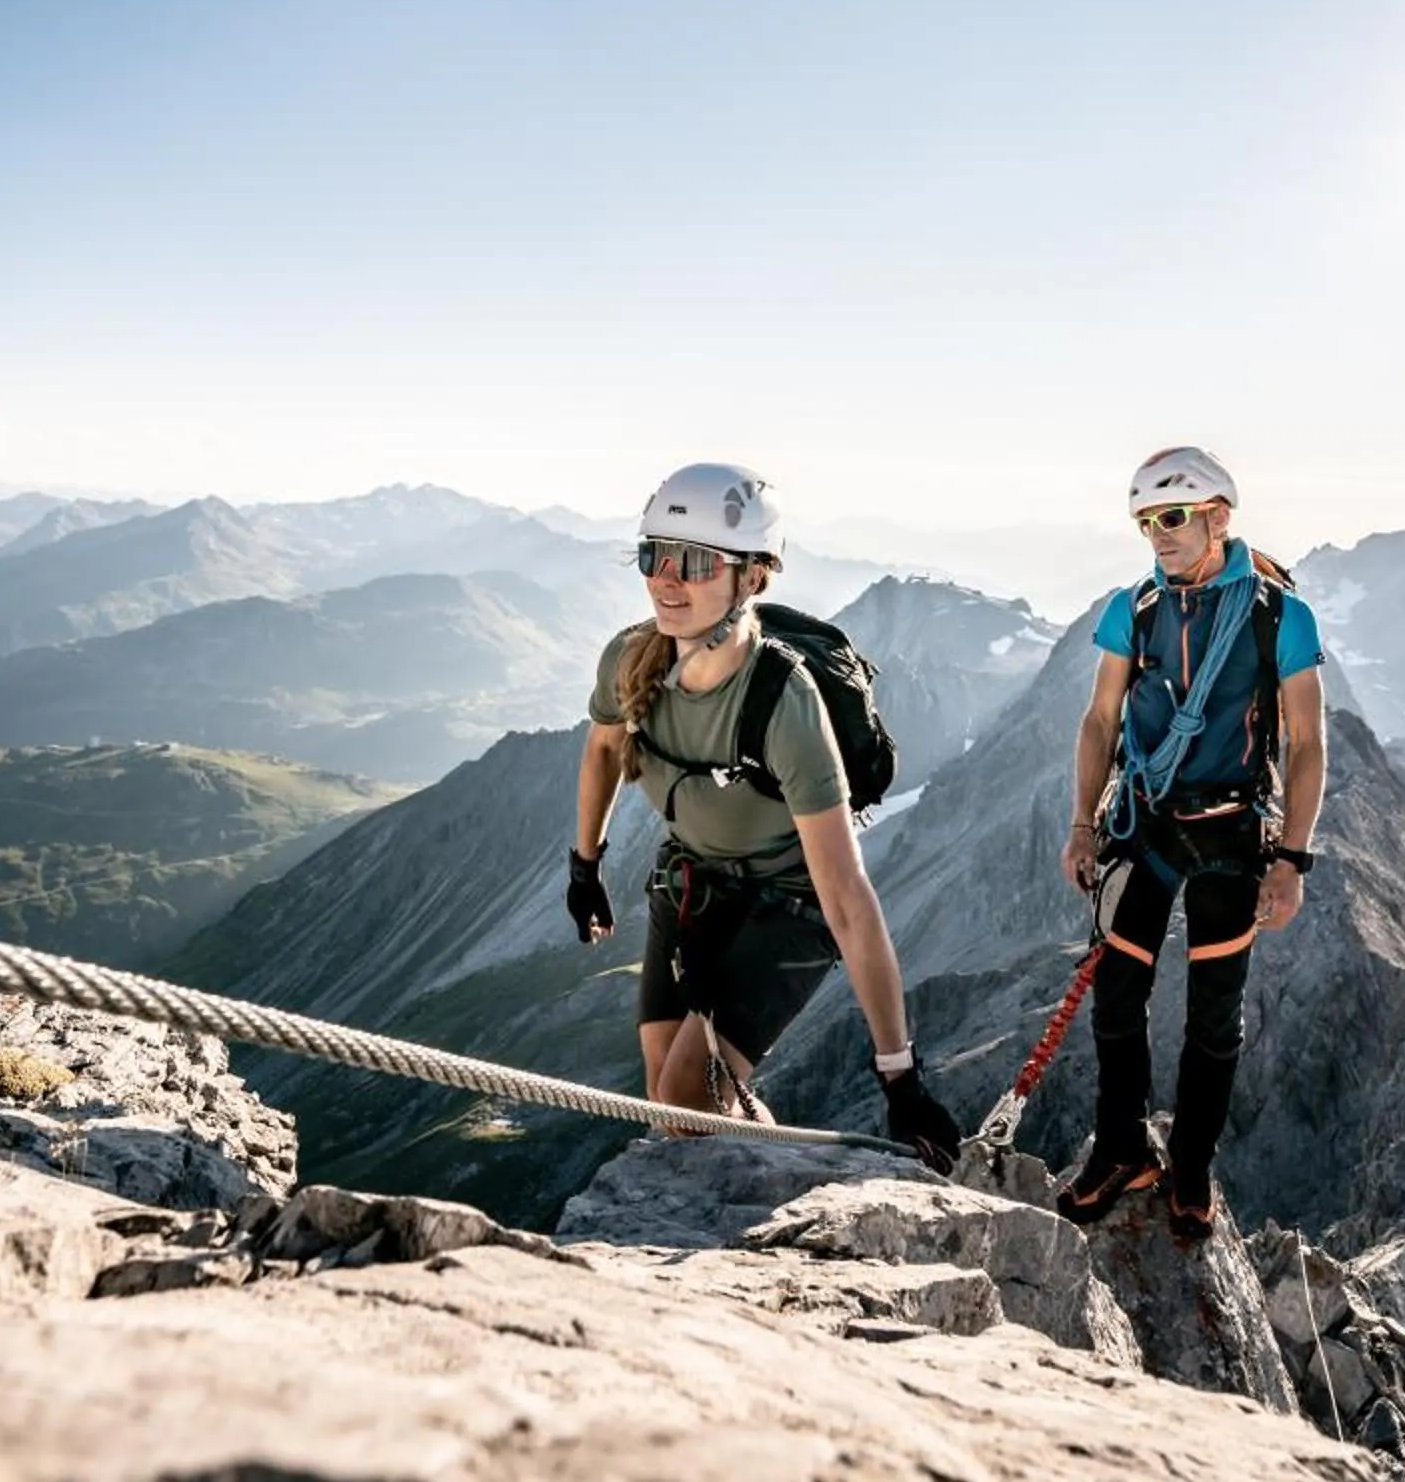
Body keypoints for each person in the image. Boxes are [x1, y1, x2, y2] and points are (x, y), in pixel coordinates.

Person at [566, 461, 962, 1171]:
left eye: (692, 562)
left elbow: (846, 895)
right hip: (694, 881)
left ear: (752, 577)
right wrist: (584, 865)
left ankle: (767, 1207)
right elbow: (602, 752)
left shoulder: (785, 701)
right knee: (670, 1098)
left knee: (687, 1098)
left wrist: (899, 1076)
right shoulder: (629, 658)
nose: (665, 579)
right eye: (654, 555)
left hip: (792, 904)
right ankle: (765, 1173)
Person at [1055, 446, 1327, 1240]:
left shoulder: (1281, 614)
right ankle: (1121, 1151)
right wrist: (1080, 822)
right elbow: (1100, 720)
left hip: (1232, 832)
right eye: (1145, 522)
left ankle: (1193, 1166)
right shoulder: (1133, 608)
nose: (1157, 536)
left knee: (1214, 1016)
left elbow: (1307, 741)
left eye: (1171, 517)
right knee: (1116, 995)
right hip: (1143, 823)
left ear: (1219, 517)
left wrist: (1293, 860)